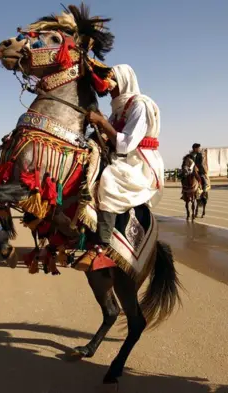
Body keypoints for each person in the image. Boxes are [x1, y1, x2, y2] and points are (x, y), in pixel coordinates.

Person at [79, 64, 164, 266]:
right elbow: (107, 138)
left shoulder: (139, 105)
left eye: (111, 83)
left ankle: (102, 245)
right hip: (122, 157)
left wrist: (101, 122)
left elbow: (125, 144)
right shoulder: (118, 110)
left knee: (110, 178)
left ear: (123, 82)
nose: (108, 88)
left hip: (140, 162)